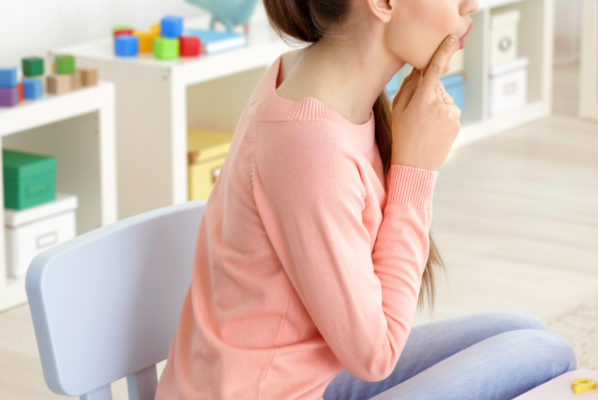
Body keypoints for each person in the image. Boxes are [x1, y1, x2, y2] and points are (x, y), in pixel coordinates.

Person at [156, 0, 576, 398]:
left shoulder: (312, 78)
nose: (471, 6)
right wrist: (416, 172)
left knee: (523, 329)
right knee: (546, 354)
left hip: (313, 375)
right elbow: (376, 354)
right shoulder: (310, 145)